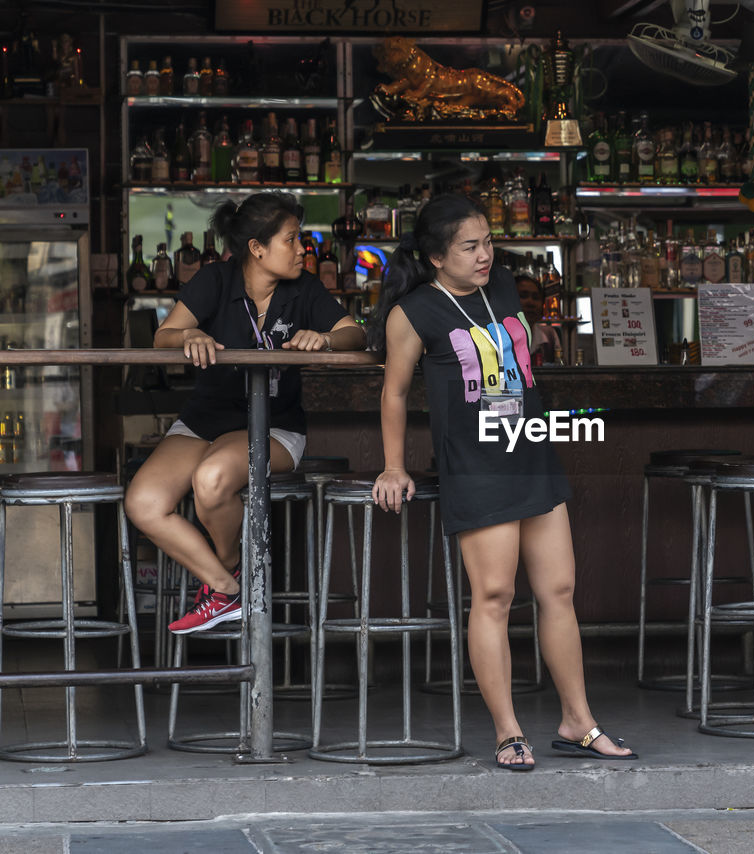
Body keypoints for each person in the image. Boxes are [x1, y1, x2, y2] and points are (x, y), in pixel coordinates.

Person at [369, 193, 635, 771]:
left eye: (488, 241)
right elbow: (392, 393)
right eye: (470, 247)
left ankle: (578, 722)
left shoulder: (507, 286)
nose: (486, 254)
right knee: (494, 597)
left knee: (559, 592)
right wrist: (394, 465)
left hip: (531, 452)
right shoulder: (414, 312)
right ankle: (509, 732)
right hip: (477, 466)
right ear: (437, 257)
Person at [125, 192, 365, 635]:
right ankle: (225, 587)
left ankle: (225, 575)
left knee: (212, 479)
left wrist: (326, 340)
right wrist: (189, 334)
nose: (301, 250)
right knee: (143, 502)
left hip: (276, 428)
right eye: (292, 240)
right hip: (205, 421)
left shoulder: (305, 289)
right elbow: (164, 336)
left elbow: (356, 333)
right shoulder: (215, 280)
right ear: (257, 248)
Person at [515, 272, 559, 364]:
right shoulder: (497, 337)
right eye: (523, 296)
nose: (530, 303)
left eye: (536, 297)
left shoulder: (549, 335)